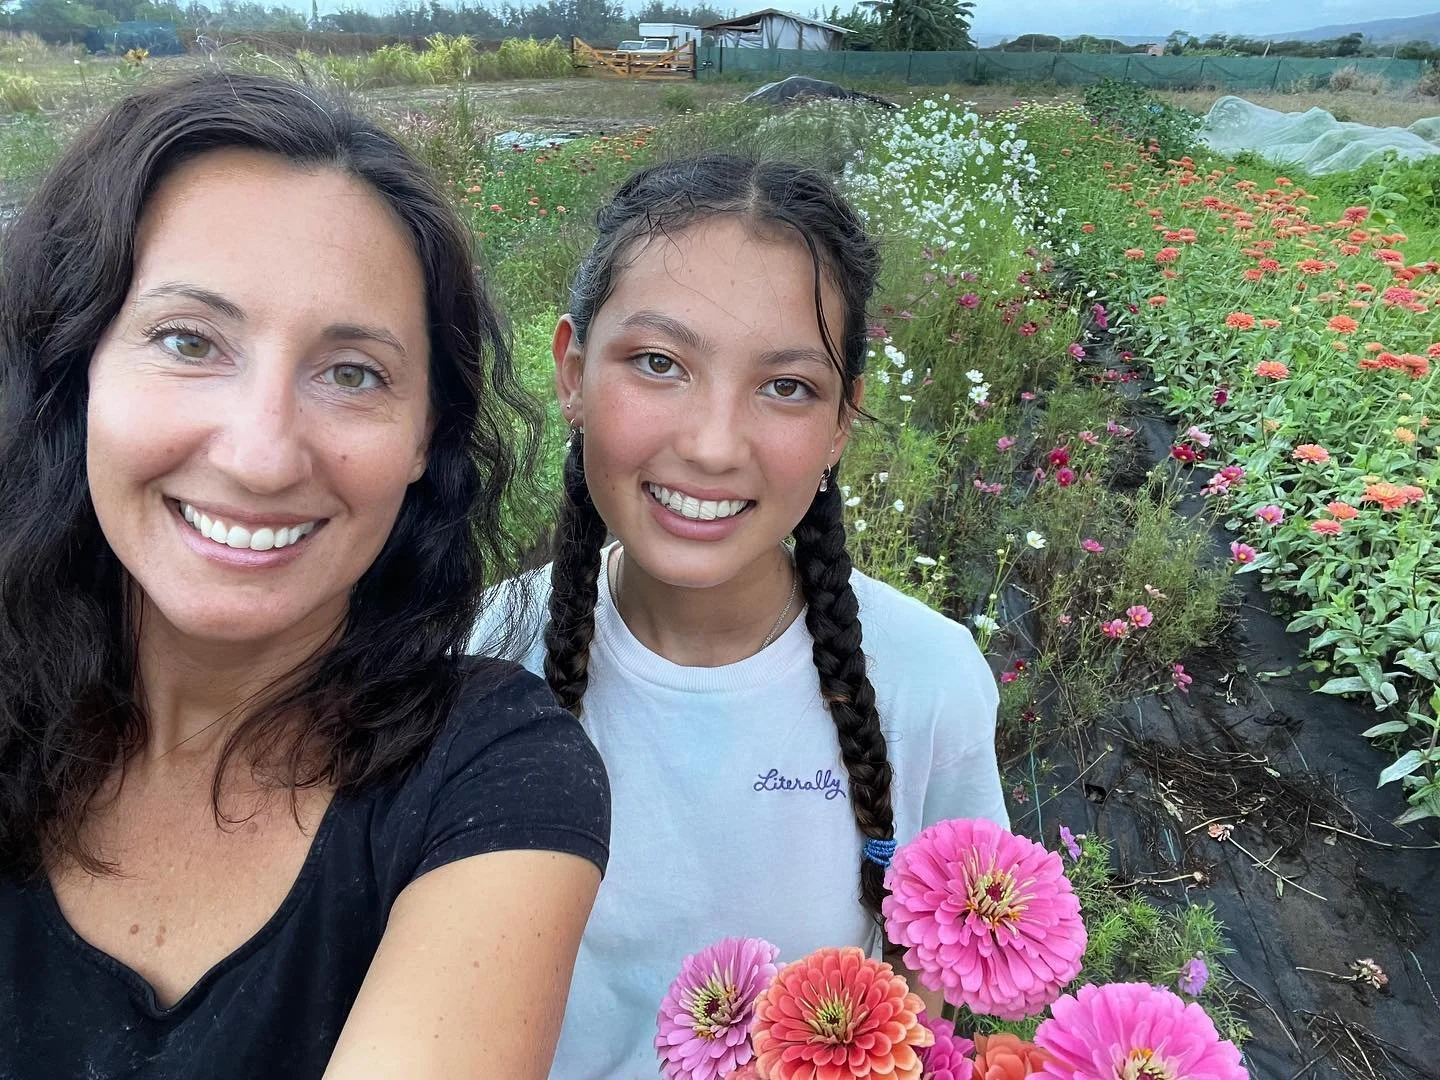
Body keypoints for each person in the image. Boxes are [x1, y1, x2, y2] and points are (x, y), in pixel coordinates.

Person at [0, 72, 609, 1079]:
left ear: (427, 437)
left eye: (353, 372)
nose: (262, 455)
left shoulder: (492, 774)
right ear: (76, 372)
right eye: (190, 342)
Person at [470, 155, 1008, 1078]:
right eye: (658, 363)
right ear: (571, 371)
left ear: (844, 421)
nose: (714, 445)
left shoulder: (928, 678)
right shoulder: (480, 656)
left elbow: (946, 967)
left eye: (787, 386)